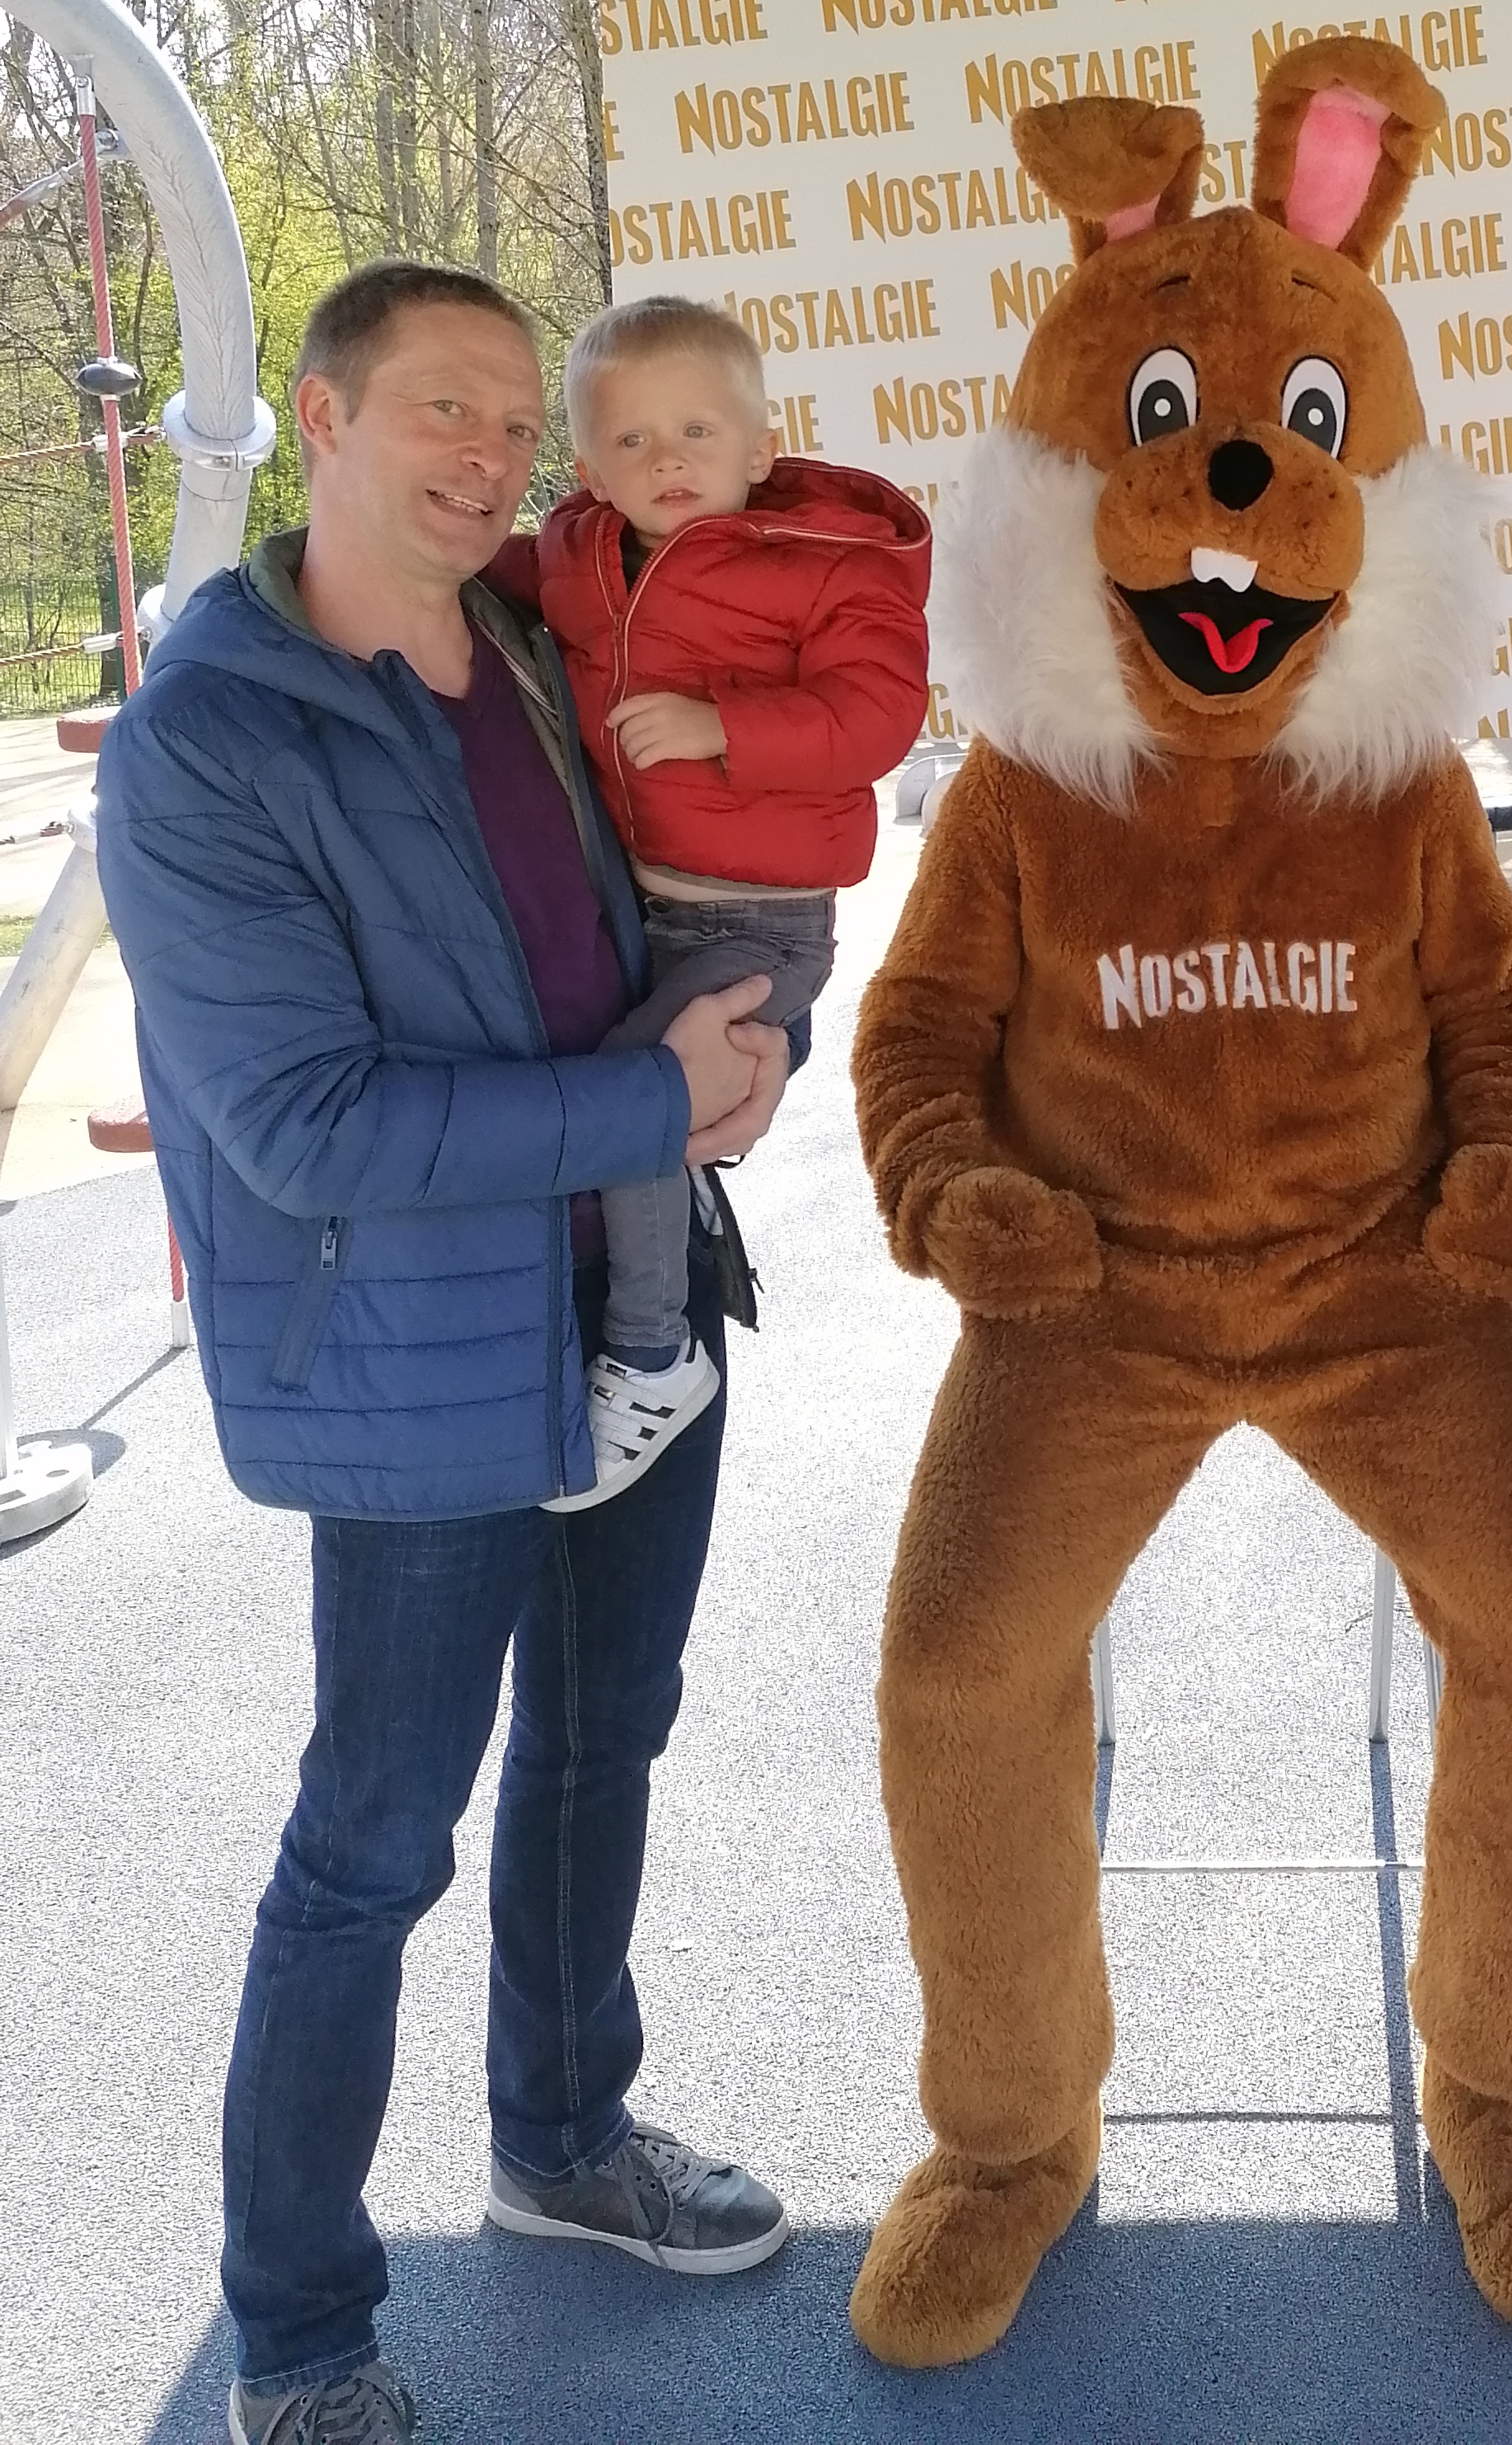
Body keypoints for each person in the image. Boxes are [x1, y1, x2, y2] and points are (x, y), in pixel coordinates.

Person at [96, 264, 795, 2445]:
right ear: (322, 417)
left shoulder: (541, 647)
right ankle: (300, 2334)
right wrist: (649, 1101)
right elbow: (305, 1124)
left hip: (636, 1291)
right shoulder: (215, 733)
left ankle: (563, 2136)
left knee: (604, 1748)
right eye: (441, 408)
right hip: (418, 1366)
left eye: (515, 419)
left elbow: (670, 906)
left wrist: (749, 1051)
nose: (490, 457)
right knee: (376, 1839)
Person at [490, 294, 930, 1507]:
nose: (666, 460)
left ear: (759, 449)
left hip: (760, 918)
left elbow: (876, 715)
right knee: (614, 1075)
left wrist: (722, 728)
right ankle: (662, 1216)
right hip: (646, 904)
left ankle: (652, 1351)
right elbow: (504, 575)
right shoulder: (583, 556)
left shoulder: (823, 564)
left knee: (636, 1090)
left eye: (695, 431)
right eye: (631, 440)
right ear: (590, 470)